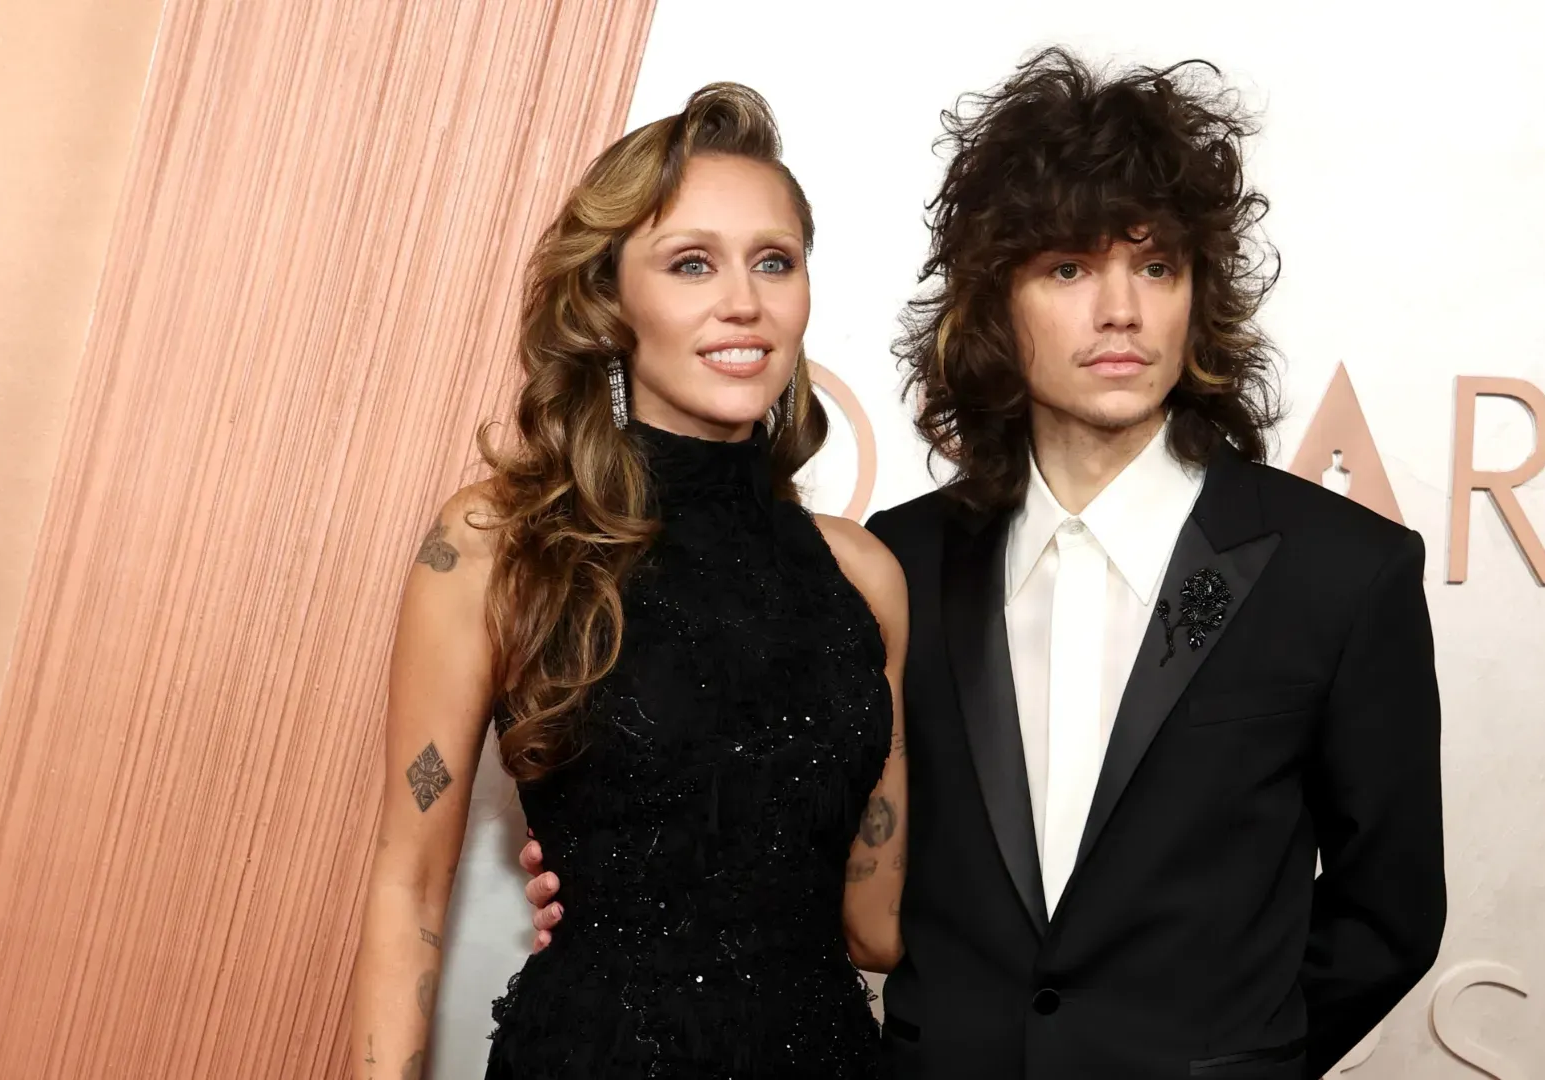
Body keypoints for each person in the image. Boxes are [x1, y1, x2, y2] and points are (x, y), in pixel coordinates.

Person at [526, 48, 1445, 1078]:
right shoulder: (896, 564)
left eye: (1156, 265)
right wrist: (623, 875)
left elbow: (1389, 915)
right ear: (996, 302)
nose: (1121, 313)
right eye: (1068, 268)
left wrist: (1238, 1057)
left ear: (1200, 296)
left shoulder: (1340, 572)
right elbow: (794, 812)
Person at [348, 82, 909, 1080]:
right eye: (692, 263)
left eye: (773, 261)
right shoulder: (494, 543)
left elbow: (875, 926)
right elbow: (410, 888)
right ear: (610, 302)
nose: (745, 300)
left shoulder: (864, 579)